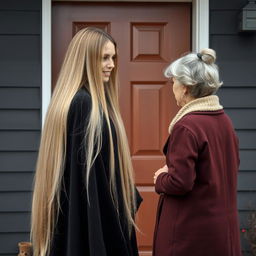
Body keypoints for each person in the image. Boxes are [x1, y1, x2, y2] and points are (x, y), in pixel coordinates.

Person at [31, 27, 142, 256]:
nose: (111, 64)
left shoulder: (71, 102)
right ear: (85, 60)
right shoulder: (84, 105)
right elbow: (90, 185)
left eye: (113, 57)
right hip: (95, 229)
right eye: (104, 58)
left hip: (77, 226)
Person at [153, 49, 241, 256]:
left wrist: (161, 178)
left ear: (185, 87)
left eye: (173, 81)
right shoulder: (224, 121)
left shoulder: (188, 126)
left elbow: (179, 183)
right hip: (220, 233)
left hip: (189, 236)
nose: (172, 87)